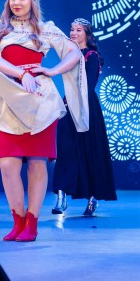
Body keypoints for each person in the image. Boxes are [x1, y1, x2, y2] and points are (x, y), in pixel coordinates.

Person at [0, 0, 89, 242]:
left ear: (32, 1)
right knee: (7, 165)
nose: (17, 3)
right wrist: (21, 74)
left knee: (36, 163)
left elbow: (74, 53)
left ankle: (31, 223)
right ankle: (17, 221)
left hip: (40, 101)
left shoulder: (44, 28)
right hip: (9, 100)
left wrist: (51, 71)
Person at [51, 18, 117, 217]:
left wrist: (76, 105)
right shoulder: (69, 54)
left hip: (86, 108)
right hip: (68, 106)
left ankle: (92, 198)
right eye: (72, 29)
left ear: (87, 34)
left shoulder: (91, 56)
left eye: (78, 30)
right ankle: (61, 196)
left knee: (89, 152)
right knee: (65, 151)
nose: (73, 33)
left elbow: (87, 86)